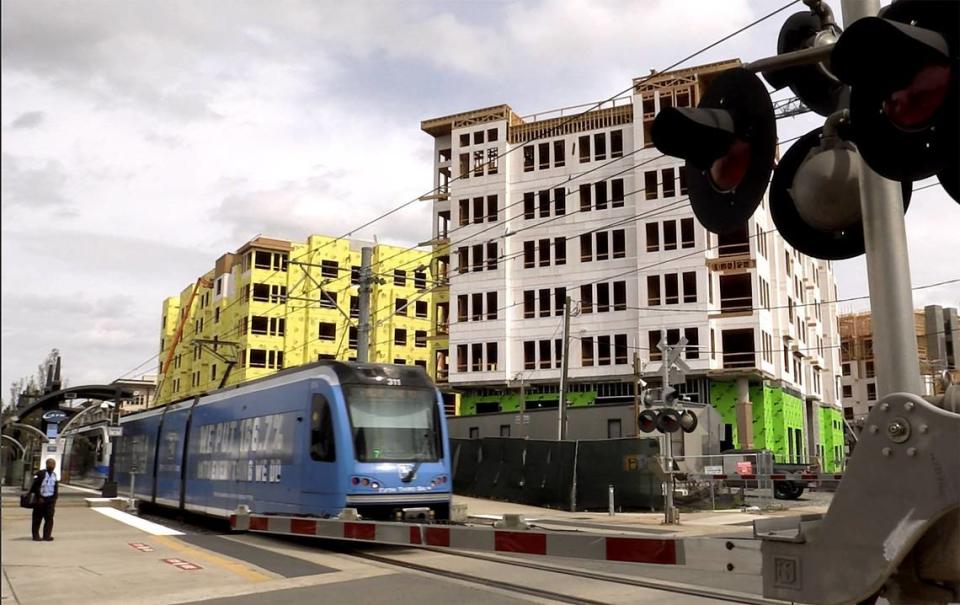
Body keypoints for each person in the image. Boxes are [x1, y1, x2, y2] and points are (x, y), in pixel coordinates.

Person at [29, 458, 58, 542]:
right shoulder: (40, 473)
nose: (51, 466)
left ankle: (47, 535)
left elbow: (55, 487)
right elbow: (35, 486)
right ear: (46, 464)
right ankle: (35, 535)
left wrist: (55, 498)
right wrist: (39, 497)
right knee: (37, 518)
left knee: (49, 518)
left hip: (50, 500)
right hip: (40, 499)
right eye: (50, 464)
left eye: (53, 464)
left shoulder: (54, 475)